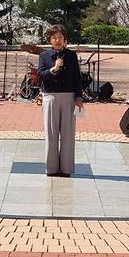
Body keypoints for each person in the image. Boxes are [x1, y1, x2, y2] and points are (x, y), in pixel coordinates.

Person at [38, 24, 84, 177]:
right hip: (50, 97)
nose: (57, 40)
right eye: (54, 38)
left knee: (68, 134)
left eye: (60, 38)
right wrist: (54, 69)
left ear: (65, 40)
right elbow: (41, 75)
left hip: (68, 97)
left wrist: (79, 97)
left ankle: (66, 168)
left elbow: (77, 77)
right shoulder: (44, 56)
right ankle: (51, 168)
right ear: (50, 40)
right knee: (51, 133)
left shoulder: (71, 56)